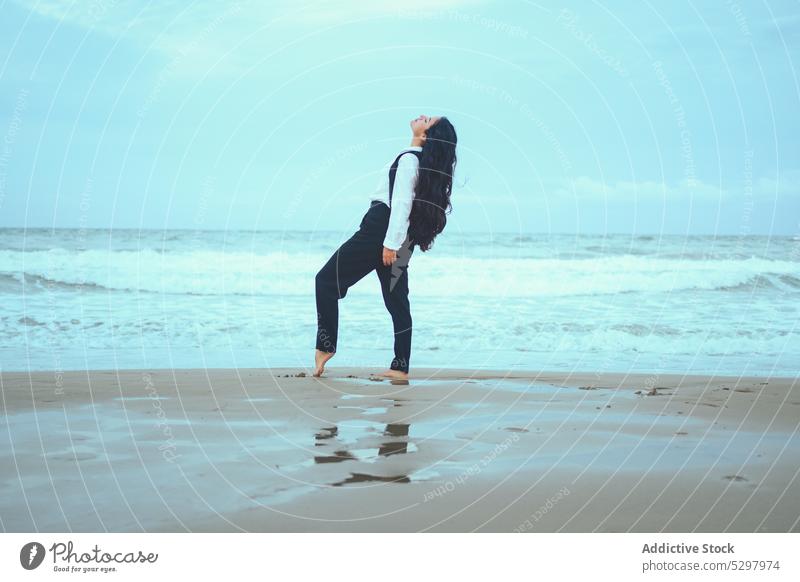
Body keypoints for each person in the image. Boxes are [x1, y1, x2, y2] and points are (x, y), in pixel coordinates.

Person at [313, 114, 458, 379]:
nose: (423, 116)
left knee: (325, 280)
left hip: (383, 230)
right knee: (397, 301)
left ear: (426, 135)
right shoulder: (416, 162)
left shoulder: (409, 160)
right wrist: (396, 242)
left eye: (429, 120)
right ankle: (400, 367)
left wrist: (390, 245)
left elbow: (401, 204)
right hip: (397, 232)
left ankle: (326, 346)